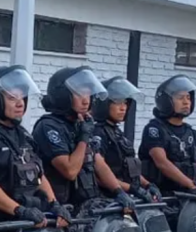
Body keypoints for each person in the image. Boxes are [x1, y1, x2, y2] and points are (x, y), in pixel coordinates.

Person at [0, 65, 70, 228]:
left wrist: (54, 204)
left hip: (31, 222)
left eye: (22, 97)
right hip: (0, 225)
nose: (20, 103)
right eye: (12, 98)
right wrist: (18, 210)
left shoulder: (22, 134)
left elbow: (38, 175)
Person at [32, 66, 137, 220]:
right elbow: (70, 171)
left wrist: (119, 191)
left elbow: (98, 162)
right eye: (79, 93)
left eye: (88, 93)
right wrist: (83, 137)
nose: (85, 99)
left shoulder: (80, 124)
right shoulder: (49, 126)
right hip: (63, 210)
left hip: (88, 206)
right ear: (63, 94)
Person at [139, 74, 196, 232]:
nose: (186, 102)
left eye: (188, 98)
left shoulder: (192, 133)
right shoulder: (154, 130)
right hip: (164, 199)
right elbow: (162, 163)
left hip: (189, 198)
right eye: (180, 98)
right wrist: (192, 186)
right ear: (166, 101)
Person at [92, 76, 163, 204]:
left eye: (125, 102)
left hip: (127, 198)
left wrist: (147, 185)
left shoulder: (116, 132)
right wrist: (132, 189)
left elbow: (130, 171)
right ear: (104, 103)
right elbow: (98, 175)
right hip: (110, 200)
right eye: (117, 102)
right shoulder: (98, 133)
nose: (123, 107)